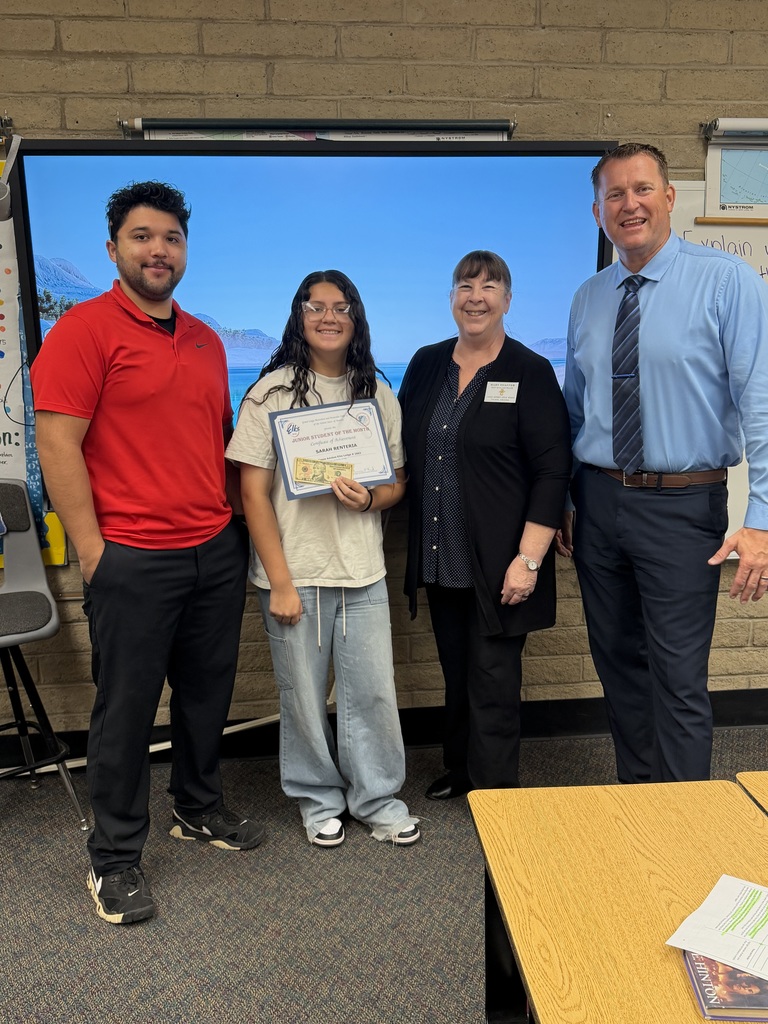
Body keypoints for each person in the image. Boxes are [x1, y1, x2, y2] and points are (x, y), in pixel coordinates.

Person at [31, 181, 263, 926]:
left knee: (206, 696)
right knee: (125, 712)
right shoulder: (82, 331)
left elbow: (215, 441)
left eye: (171, 237)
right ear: (113, 249)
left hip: (212, 551)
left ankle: (196, 807)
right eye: (141, 236)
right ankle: (114, 858)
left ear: (185, 250)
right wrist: (94, 551)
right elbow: (57, 445)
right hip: (131, 558)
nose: (158, 250)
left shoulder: (205, 340)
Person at [559, 142, 768, 784]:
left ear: (669, 197)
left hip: (682, 507)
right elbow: (575, 411)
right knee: (619, 669)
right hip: (598, 503)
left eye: (643, 189)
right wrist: (565, 500)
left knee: (677, 678)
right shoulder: (588, 297)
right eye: (615, 195)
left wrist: (761, 519)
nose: (630, 205)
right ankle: (639, 805)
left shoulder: (727, 282)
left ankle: (686, 823)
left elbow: (761, 405)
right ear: (597, 211)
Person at [226, 270, 420, 847]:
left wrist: (371, 499)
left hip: (363, 571)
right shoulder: (270, 394)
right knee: (303, 700)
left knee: (373, 693)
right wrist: (280, 582)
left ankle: (377, 797)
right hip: (295, 574)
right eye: (316, 307)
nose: (328, 317)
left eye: (340, 307)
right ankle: (317, 801)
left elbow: (397, 483)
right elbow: (252, 495)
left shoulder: (376, 394)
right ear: (299, 316)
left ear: (355, 318)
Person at [399, 251, 572, 798]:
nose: (476, 297)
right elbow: (396, 443)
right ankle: (461, 769)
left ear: (507, 300)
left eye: (490, 286)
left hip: (502, 561)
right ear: (451, 297)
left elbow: (552, 471)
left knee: (493, 678)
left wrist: (528, 560)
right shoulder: (426, 363)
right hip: (441, 554)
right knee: (457, 672)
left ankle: (496, 792)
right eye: (465, 286)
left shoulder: (529, 371)